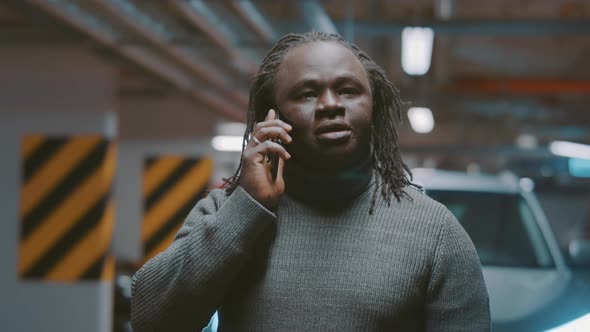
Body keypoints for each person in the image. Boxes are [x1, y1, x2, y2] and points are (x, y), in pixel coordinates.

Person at [130, 32, 490, 331]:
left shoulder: (435, 233)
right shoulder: (230, 211)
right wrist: (248, 207)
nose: (330, 104)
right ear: (274, 118)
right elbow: (153, 320)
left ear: (373, 106)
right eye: (306, 94)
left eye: (348, 90)